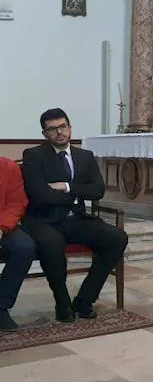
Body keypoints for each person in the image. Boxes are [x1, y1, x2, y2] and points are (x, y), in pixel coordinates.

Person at [20, 109, 128, 321]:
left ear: (70, 128)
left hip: (76, 219)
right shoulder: (33, 156)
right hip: (45, 221)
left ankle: (85, 299)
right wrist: (77, 194)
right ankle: (62, 303)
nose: (59, 132)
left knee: (117, 238)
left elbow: (98, 190)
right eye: (52, 129)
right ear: (44, 134)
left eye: (63, 126)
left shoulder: (84, 156)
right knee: (51, 246)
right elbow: (39, 196)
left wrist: (67, 187)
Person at [0, 157, 37, 331]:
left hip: (3, 223)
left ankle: (1, 305)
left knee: (24, 247)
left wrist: (1, 228)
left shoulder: (8, 166)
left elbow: (16, 203)